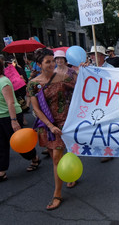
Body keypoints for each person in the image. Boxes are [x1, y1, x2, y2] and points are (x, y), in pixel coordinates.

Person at [28, 48, 76, 210]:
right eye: (47, 61)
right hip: (48, 125)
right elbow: (37, 109)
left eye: (53, 60)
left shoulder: (63, 77)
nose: (51, 64)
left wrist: (83, 70)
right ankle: (68, 172)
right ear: (39, 64)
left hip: (66, 122)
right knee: (56, 156)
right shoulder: (33, 84)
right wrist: (50, 126)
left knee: (57, 157)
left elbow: (83, 86)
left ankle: (57, 194)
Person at [0, 58, 41, 182]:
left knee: (19, 143)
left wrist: (14, 120)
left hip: (10, 116)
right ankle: (1, 170)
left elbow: (10, 102)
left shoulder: (4, 81)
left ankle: (34, 157)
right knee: (1, 145)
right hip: (1, 117)